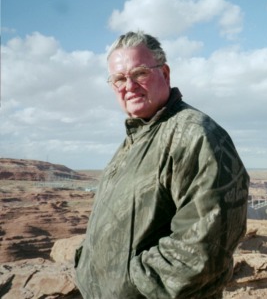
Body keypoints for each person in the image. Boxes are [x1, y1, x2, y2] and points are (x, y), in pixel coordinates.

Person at [74, 31, 249, 298]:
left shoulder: (195, 135)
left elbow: (204, 246)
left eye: (140, 73)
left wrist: (132, 284)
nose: (128, 86)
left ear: (165, 73)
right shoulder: (137, 138)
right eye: (119, 79)